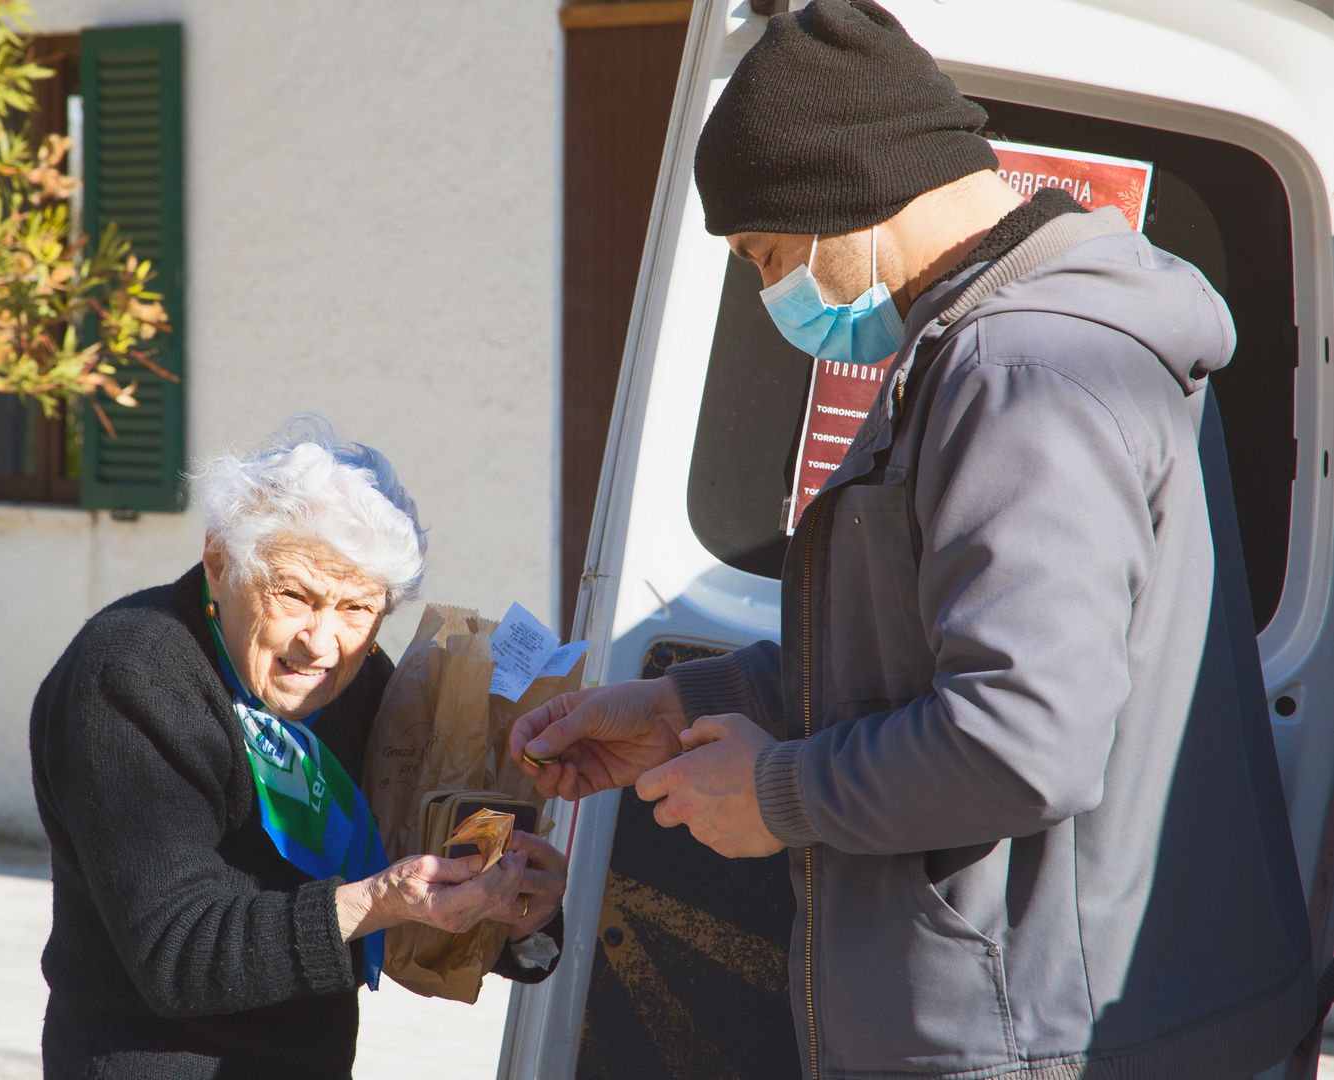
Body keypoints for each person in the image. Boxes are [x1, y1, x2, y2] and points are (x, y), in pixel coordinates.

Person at [513, 3, 1312, 1078]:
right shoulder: (998, 352)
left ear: (841, 196)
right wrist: (688, 708)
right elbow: (918, 650)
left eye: (762, 254)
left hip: (1038, 1039)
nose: (768, 293)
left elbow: (1015, 739)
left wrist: (773, 793)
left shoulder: (1023, 373)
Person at [31, 416, 566, 1079]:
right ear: (220, 564)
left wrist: (515, 912)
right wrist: (379, 901)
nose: (320, 642)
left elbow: (404, 849)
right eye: (293, 595)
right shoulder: (132, 673)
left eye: (356, 609)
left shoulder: (350, 676)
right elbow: (176, 953)